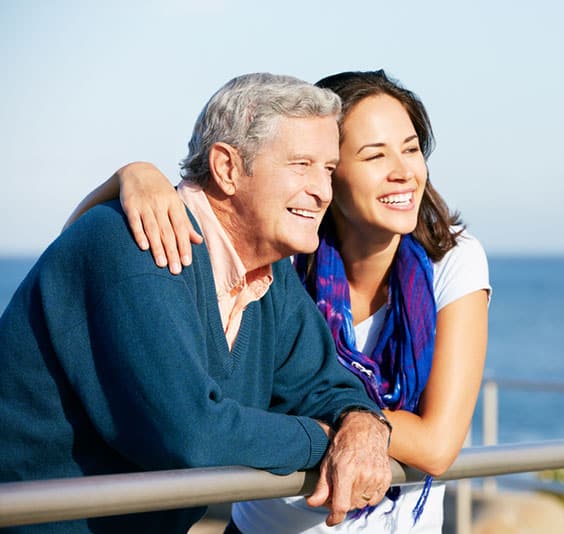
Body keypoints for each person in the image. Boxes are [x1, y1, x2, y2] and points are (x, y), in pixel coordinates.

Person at [74, 70, 490, 533]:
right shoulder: (280, 253)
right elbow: (89, 261)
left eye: (411, 148)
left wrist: (362, 423)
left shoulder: (447, 260)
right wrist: (131, 176)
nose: (402, 169)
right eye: (373, 155)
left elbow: (428, 440)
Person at [0, 73, 394, 533]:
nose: (322, 191)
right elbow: (191, 435)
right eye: (301, 164)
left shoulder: (271, 276)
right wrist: (323, 442)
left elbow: (327, 386)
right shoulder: (141, 244)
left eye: (327, 169)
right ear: (227, 168)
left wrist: (363, 425)